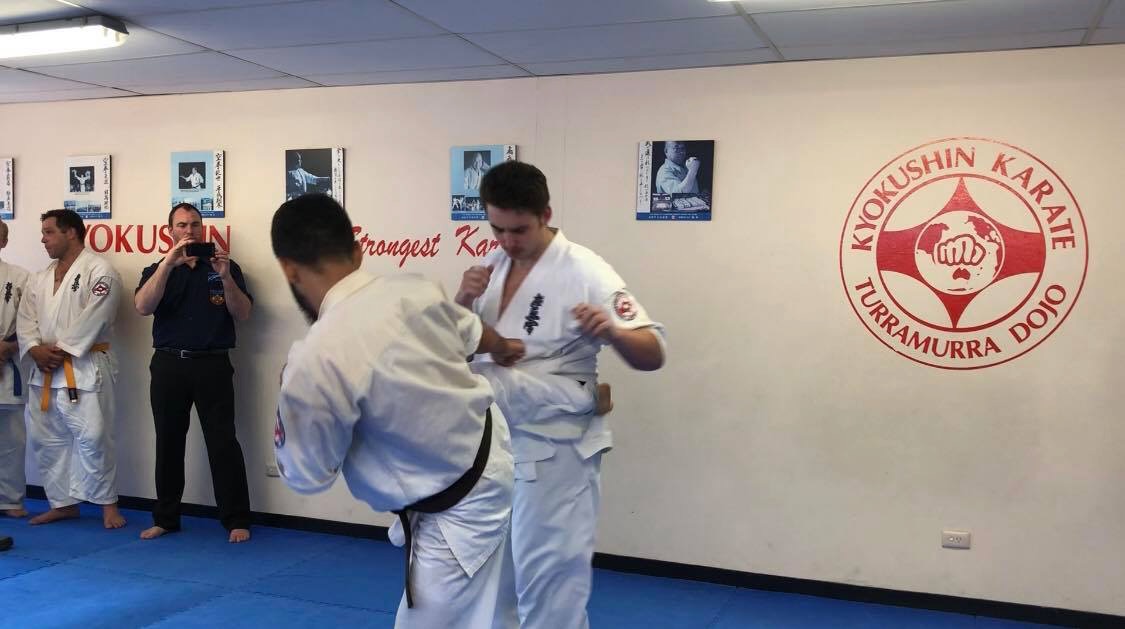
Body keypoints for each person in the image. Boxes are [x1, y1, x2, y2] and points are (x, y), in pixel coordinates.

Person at [271, 193, 523, 627]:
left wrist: (292, 397)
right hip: (493, 461)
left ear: (288, 269)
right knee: (497, 614)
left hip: (461, 508)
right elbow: (473, 331)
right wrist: (504, 347)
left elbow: (307, 476)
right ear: (357, 251)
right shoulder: (415, 288)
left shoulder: (314, 359)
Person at [455, 161, 666, 629]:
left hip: (559, 450)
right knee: (492, 581)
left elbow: (653, 352)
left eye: (519, 230)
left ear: (545, 214)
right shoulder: (491, 265)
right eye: (497, 229)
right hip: (497, 446)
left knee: (550, 580)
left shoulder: (586, 270)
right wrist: (463, 302)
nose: (507, 241)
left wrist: (613, 331)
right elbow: (456, 349)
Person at [134, 203, 253, 543]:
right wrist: (167, 265)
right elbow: (142, 306)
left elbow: (243, 313)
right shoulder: (157, 269)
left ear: (203, 229)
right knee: (168, 442)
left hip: (212, 364)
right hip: (169, 364)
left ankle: (236, 519)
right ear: (169, 231)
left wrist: (226, 276)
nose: (189, 231)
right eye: (182, 225)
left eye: (195, 224)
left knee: (223, 442)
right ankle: (166, 519)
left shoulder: (225, 267)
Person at [17, 209, 125, 528]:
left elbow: (98, 315)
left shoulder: (100, 271)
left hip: (85, 366)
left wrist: (60, 350)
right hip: (45, 370)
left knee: (95, 437)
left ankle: (108, 505)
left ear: (71, 233)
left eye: (49, 232)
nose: (43, 239)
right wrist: (34, 348)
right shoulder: (39, 278)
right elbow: (26, 319)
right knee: (47, 440)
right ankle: (62, 504)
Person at [0, 220, 30, 519]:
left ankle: (9, 500)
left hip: (7, 362)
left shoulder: (20, 277)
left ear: (4, 241)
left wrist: (5, 348)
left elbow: (30, 320)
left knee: (11, 439)